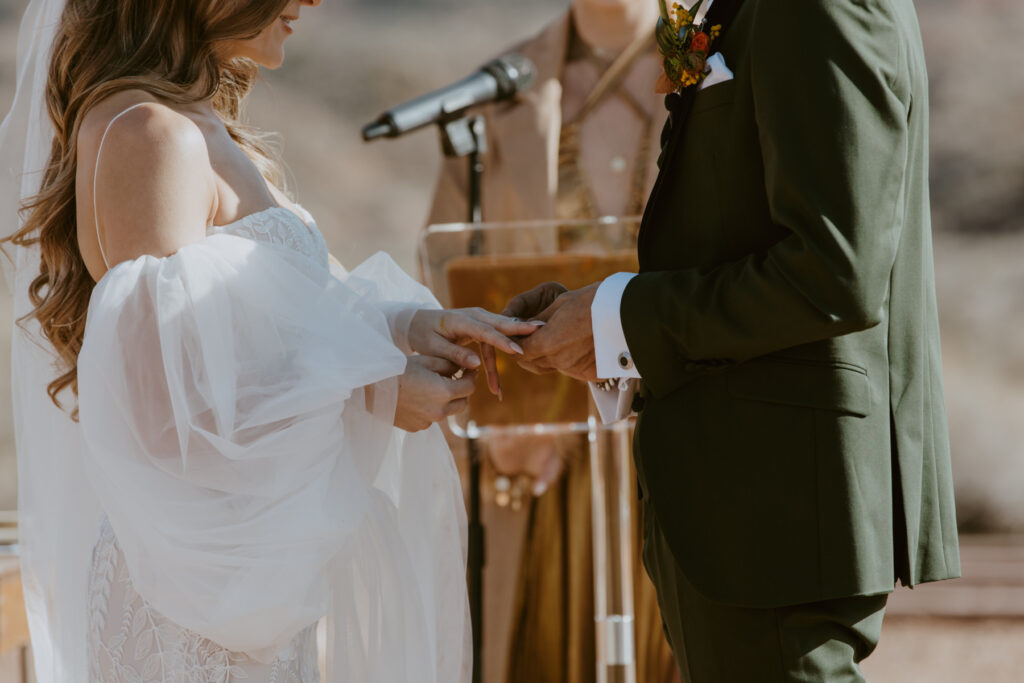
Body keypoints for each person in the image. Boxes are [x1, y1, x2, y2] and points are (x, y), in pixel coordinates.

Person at [0, 0, 542, 681]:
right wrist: (374, 393)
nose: (314, 1)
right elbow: (169, 408)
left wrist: (409, 327)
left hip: (233, 582)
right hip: (186, 608)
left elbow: (266, 329)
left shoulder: (197, 127)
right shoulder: (150, 135)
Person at [506, 0, 961, 681]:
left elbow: (834, 272)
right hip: (751, 500)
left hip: (776, 510)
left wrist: (627, 318)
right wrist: (601, 323)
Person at [427, 1, 678, 682]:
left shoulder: (719, 67)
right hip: (538, 463)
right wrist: (493, 427)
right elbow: (445, 291)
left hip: (685, 451)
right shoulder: (499, 89)